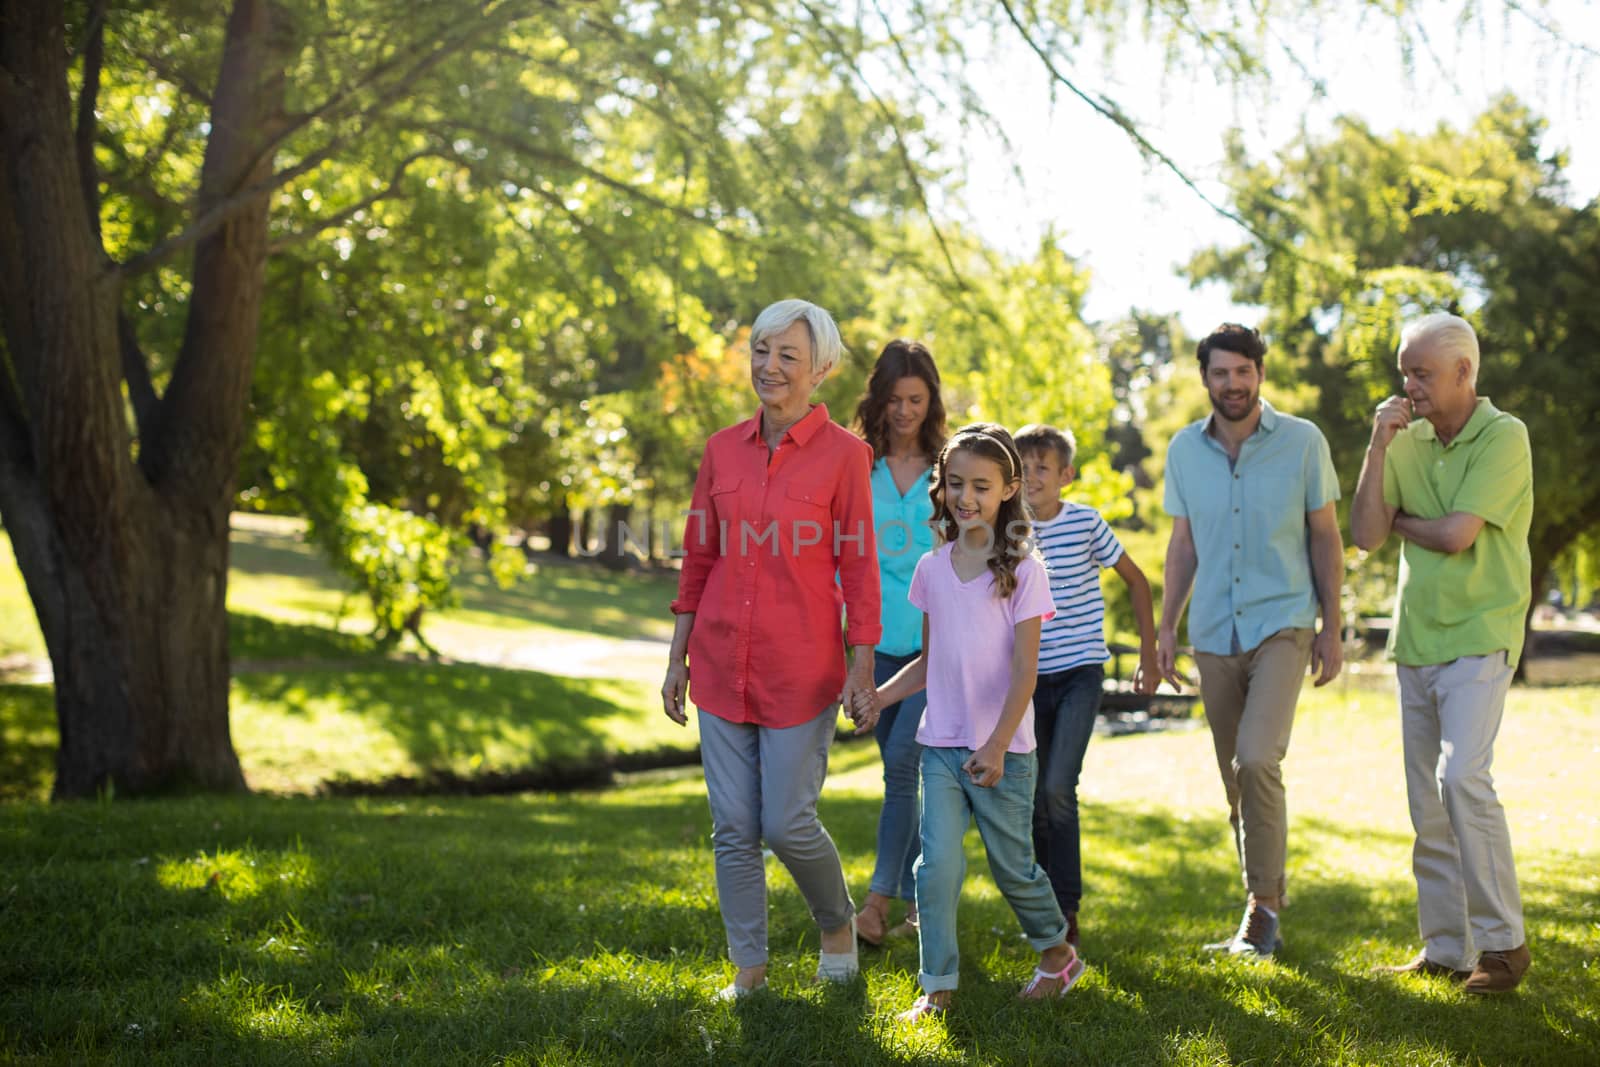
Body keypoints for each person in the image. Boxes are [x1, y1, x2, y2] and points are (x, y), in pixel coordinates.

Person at [662, 299, 881, 1000]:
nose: (769, 366)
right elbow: (699, 555)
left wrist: (863, 663)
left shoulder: (847, 455)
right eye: (761, 350)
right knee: (733, 828)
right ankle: (750, 972)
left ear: (820, 368)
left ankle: (836, 922)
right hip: (722, 663)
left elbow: (860, 567)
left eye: (787, 354)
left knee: (787, 821)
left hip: (801, 669)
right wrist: (677, 654)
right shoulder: (722, 448)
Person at [863, 423, 1082, 1021]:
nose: (966, 498)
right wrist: (880, 698)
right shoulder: (933, 568)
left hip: (1002, 752)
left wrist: (993, 744)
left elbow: (1024, 674)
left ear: (1009, 489)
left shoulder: (1024, 570)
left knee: (1014, 869)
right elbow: (930, 662)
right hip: (941, 743)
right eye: (955, 483)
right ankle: (937, 988)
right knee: (935, 868)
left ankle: (1059, 955)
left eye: (981, 487)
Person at [1351, 313, 1534, 994]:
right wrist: (1378, 442)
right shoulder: (1403, 439)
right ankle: (1447, 947)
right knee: (1427, 802)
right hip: (1417, 637)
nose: (1409, 384)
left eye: (1422, 372)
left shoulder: (1504, 435)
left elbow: (1459, 534)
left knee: (1462, 779)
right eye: (1404, 370)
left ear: (1464, 372)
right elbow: (1368, 532)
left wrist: (1404, 522)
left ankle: (1504, 945)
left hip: (1482, 631)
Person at [1156, 323, 1344, 961]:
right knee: (1236, 780)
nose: (1232, 384)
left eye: (1242, 371)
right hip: (1211, 631)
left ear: (1259, 374)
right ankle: (1257, 908)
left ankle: (1264, 909)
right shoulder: (1184, 451)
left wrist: (1333, 625)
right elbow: (1182, 545)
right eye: (1220, 373)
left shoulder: (1302, 442)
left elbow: (1325, 536)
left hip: (1283, 622)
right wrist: (1165, 627)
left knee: (1257, 759)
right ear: (1205, 378)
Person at [1014, 423, 1159, 951]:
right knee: (1032, 796)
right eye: (1023, 468)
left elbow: (1137, 581)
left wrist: (1148, 655)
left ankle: (1067, 907)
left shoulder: (1086, 522)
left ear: (1066, 476)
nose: (1031, 478)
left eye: (1042, 469)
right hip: (1027, 678)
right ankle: (1042, 911)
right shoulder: (1009, 530)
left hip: (1079, 673)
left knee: (1057, 789)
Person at [850, 340, 947, 947]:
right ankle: (918, 898)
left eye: (916, 399)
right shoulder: (858, 466)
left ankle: (876, 906)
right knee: (899, 773)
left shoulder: (950, 467)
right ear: (878, 402)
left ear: (932, 400)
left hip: (934, 649)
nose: (906, 411)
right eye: (895, 400)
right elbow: (841, 562)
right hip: (873, 644)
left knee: (902, 767)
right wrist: (848, 659)